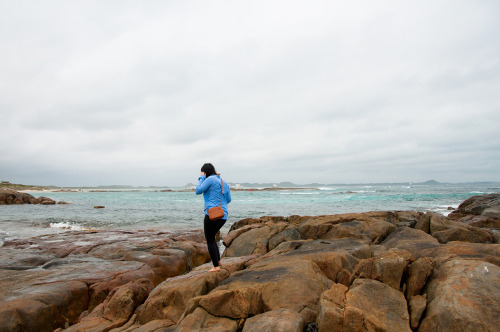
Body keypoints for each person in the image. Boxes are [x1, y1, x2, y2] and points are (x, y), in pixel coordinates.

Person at [195, 163, 231, 272]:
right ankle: (218, 261)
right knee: (212, 238)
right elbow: (228, 199)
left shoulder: (209, 179)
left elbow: (198, 190)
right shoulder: (223, 182)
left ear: (205, 172)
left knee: (210, 239)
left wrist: (201, 177)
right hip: (223, 215)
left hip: (212, 214)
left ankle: (215, 266)